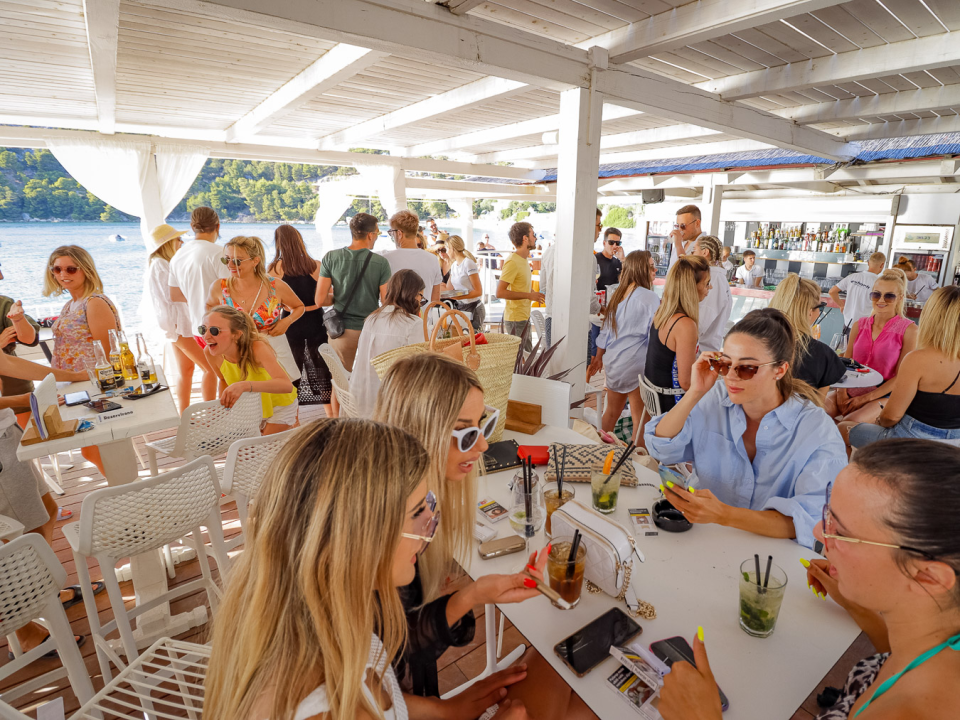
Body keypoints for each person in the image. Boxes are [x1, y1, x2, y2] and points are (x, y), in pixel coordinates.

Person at [204, 419, 500, 720]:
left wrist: (446, 710)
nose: (430, 526)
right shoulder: (327, 708)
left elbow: (381, 698)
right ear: (349, 541)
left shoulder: (321, 616)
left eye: (428, 505)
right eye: (416, 513)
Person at [660, 440, 960, 720]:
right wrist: (857, 606)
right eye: (827, 514)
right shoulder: (934, 639)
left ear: (928, 577)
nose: (818, 532)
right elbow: (899, 656)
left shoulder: (914, 711)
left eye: (841, 532)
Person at [373, 355, 587, 718]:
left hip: (416, 704)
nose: (484, 446)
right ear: (422, 433)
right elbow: (365, 690)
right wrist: (445, 711)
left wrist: (474, 594)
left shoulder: (409, 513)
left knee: (568, 666)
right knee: (569, 675)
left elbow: (395, 644)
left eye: (483, 426)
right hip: (409, 709)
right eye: (467, 433)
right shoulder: (387, 538)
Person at [646, 309, 846, 548]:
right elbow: (661, 447)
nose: (731, 376)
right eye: (724, 364)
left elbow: (811, 520)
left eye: (747, 368)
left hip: (770, 553)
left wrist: (723, 514)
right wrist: (694, 393)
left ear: (780, 370)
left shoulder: (816, 430)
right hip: (705, 538)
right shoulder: (715, 397)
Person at [845, 286, 960, 447]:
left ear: (931, 316)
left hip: (909, 441)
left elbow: (891, 417)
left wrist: (879, 420)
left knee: (842, 429)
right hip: (954, 445)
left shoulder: (917, 359)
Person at [43, 245, 119, 476]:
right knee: (91, 448)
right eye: (57, 269)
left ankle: (125, 489)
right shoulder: (70, 303)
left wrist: (78, 378)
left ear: (85, 269)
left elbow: (108, 354)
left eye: (71, 269)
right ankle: (124, 488)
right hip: (74, 384)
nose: (63, 274)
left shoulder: (94, 302)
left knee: (95, 448)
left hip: (91, 385)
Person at [206, 235, 302, 385]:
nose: (230, 265)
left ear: (255, 261)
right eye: (226, 259)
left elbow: (299, 307)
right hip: (238, 354)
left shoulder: (275, 286)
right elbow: (209, 310)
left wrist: (286, 321)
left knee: (285, 394)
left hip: (275, 351)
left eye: (237, 261)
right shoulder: (219, 287)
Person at [827, 269, 917, 425]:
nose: (881, 300)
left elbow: (901, 377)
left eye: (889, 296)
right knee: (816, 413)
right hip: (851, 388)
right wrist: (841, 393)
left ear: (900, 297)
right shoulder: (859, 325)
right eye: (876, 294)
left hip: (883, 394)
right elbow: (846, 364)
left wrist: (864, 399)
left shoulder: (910, 330)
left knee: (846, 426)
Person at [588, 251, 660, 436]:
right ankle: (638, 454)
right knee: (641, 419)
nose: (655, 270)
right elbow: (655, 335)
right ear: (641, 269)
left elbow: (606, 331)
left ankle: (598, 446)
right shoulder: (649, 297)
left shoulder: (618, 293)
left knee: (611, 412)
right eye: (651, 266)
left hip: (615, 361)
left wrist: (598, 357)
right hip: (636, 363)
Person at [267, 224, 332, 416]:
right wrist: (311, 306)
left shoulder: (274, 269)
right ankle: (331, 415)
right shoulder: (316, 265)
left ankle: (293, 416)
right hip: (316, 322)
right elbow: (326, 296)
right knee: (322, 367)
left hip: (291, 322)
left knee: (291, 366)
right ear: (299, 241)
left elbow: (272, 302)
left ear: (278, 243)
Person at [202, 306, 298, 434]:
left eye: (214, 331)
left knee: (260, 444)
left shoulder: (256, 347)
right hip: (250, 409)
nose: (206, 336)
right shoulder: (210, 353)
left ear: (236, 334)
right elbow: (223, 380)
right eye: (203, 329)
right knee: (241, 446)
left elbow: (286, 385)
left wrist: (245, 385)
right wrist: (224, 411)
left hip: (280, 405)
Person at [316, 212, 392, 375]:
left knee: (340, 381)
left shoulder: (331, 258)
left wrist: (340, 296)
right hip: (370, 332)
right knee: (370, 380)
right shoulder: (381, 263)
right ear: (370, 235)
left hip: (341, 331)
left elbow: (320, 300)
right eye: (377, 233)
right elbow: (386, 301)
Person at [168, 206, 227, 402]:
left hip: (198, 328)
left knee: (213, 372)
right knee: (227, 376)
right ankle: (226, 415)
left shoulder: (178, 256)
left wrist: (197, 296)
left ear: (193, 227)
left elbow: (174, 294)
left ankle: (211, 413)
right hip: (222, 327)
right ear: (217, 226)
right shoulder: (219, 253)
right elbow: (231, 291)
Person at [350, 270, 425, 418]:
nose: (420, 301)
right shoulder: (413, 324)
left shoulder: (372, 318)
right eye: (421, 296)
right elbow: (421, 366)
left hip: (359, 399)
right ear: (413, 294)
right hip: (390, 405)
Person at [141, 224, 197, 413]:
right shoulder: (161, 265)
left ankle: (184, 414)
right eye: (178, 239)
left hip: (178, 325)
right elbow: (171, 296)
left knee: (186, 369)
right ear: (168, 243)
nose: (181, 242)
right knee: (209, 368)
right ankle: (206, 413)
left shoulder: (163, 263)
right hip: (178, 326)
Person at [644, 255, 711, 411]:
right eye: (707, 283)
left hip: (654, 398)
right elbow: (686, 382)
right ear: (691, 287)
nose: (711, 287)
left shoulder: (662, 312)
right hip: (670, 405)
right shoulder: (685, 325)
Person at [769, 274, 846, 395]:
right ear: (809, 313)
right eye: (820, 307)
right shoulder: (823, 356)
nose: (819, 312)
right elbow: (818, 403)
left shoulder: (753, 342)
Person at [540, 210, 601, 349]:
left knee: (555, 362)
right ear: (587, 225)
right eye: (599, 225)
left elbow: (543, 287)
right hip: (577, 324)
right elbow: (589, 300)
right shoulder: (588, 257)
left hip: (552, 319)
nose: (600, 231)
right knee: (581, 363)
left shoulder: (549, 252)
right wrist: (603, 309)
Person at [0, 260, 40, 413]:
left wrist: (18, 319)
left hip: (17, 389)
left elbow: (30, 339)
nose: (1, 277)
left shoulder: (4, 304)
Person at [497, 221, 544, 352]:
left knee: (526, 357)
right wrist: (529, 295)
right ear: (525, 238)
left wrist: (532, 293)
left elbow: (520, 285)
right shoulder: (512, 261)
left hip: (523, 317)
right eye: (533, 234)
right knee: (523, 360)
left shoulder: (523, 260)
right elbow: (500, 292)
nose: (535, 238)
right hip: (515, 320)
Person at [381, 209, 444, 304]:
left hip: (395, 313)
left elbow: (384, 298)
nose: (392, 235)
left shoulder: (386, 259)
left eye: (392, 232)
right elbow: (435, 299)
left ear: (399, 233)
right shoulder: (433, 259)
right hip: (424, 313)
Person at [691, 235, 733, 353]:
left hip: (702, 349)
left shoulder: (713, 278)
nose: (692, 254)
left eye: (694, 250)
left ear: (705, 252)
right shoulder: (714, 276)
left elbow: (703, 319)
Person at [829, 252, 885, 332]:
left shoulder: (853, 276)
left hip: (848, 324)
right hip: (865, 327)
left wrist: (841, 305)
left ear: (868, 263)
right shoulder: (879, 283)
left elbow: (832, 291)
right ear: (882, 265)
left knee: (846, 340)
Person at [445, 234, 485, 332]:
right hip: (461, 307)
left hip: (474, 309)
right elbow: (448, 289)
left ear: (452, 248)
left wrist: (459, 297)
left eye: (447, 249)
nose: (446, 252)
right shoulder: (454, 266)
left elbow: (478, 291)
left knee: (473, 338)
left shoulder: (468, 263)